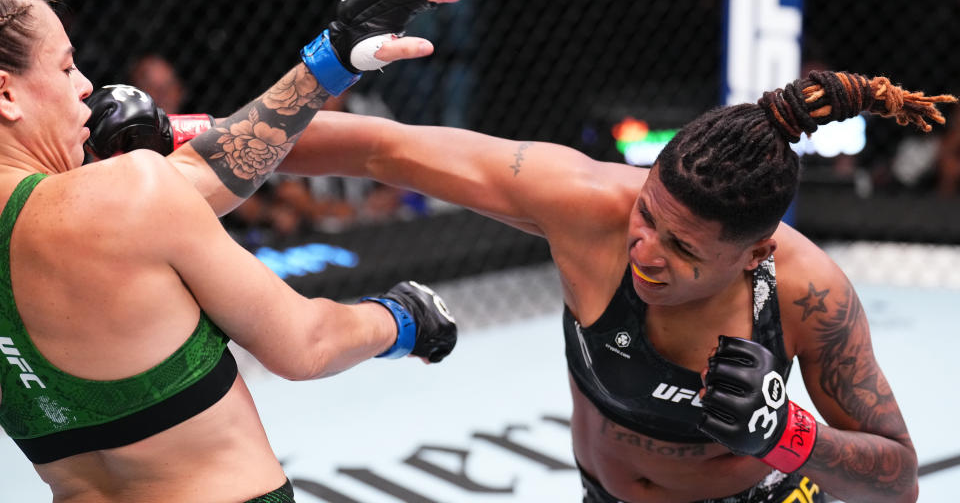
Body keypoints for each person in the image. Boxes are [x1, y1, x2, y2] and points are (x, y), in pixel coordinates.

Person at [267, 71, 954, 502]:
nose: (645, 252)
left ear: (754, 255)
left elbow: (898, 481)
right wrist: (181, 137)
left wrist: (787, 435)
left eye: (683, 248)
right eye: (648, 214)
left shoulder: (809, 294)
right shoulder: (584, 204)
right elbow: (382, 148)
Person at [0, 0, 469, 502]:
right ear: (6, 93)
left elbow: (206, 170)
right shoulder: (126, 194)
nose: (84, 84)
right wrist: (402, 318)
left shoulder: (123, 201)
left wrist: (332, 60)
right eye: (64, 67)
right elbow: (306, 344)